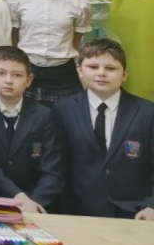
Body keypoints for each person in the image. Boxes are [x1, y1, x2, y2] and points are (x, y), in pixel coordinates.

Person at [53, 39, 154, 220]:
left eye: (110, 68)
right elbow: (57, 164)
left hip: (135, 212)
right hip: (78, 211)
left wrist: (151, 205)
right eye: (93, 67)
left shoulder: (147, 112)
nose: (101, 73)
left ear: (125, 74)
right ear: (79, 71)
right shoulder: (63, 109)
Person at [0, 46, 62, 212]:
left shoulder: (44, 115)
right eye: (1, 73)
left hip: (33, 202)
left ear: (29, 79)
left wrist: (34, 203)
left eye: (17, 75)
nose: (8, 80)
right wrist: (19, 198)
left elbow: (51, 169)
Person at [7, 0, 91, 106]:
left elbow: (75, 41)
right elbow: (14, 38)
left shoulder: (77, 4)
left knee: (66, 118)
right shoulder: (18, 1)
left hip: (63, 73)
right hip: (27, 69)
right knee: (27, 119)